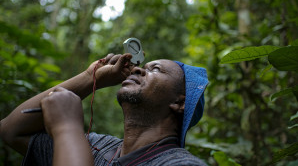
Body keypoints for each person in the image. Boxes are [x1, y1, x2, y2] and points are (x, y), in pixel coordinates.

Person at [0, 53, 209, 166]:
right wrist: (92, 78)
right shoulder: (97, 146)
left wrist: (67, 129)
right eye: (143, 67)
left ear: (180, 103)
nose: (137, 69)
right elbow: (10, 130)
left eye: (155, 69)